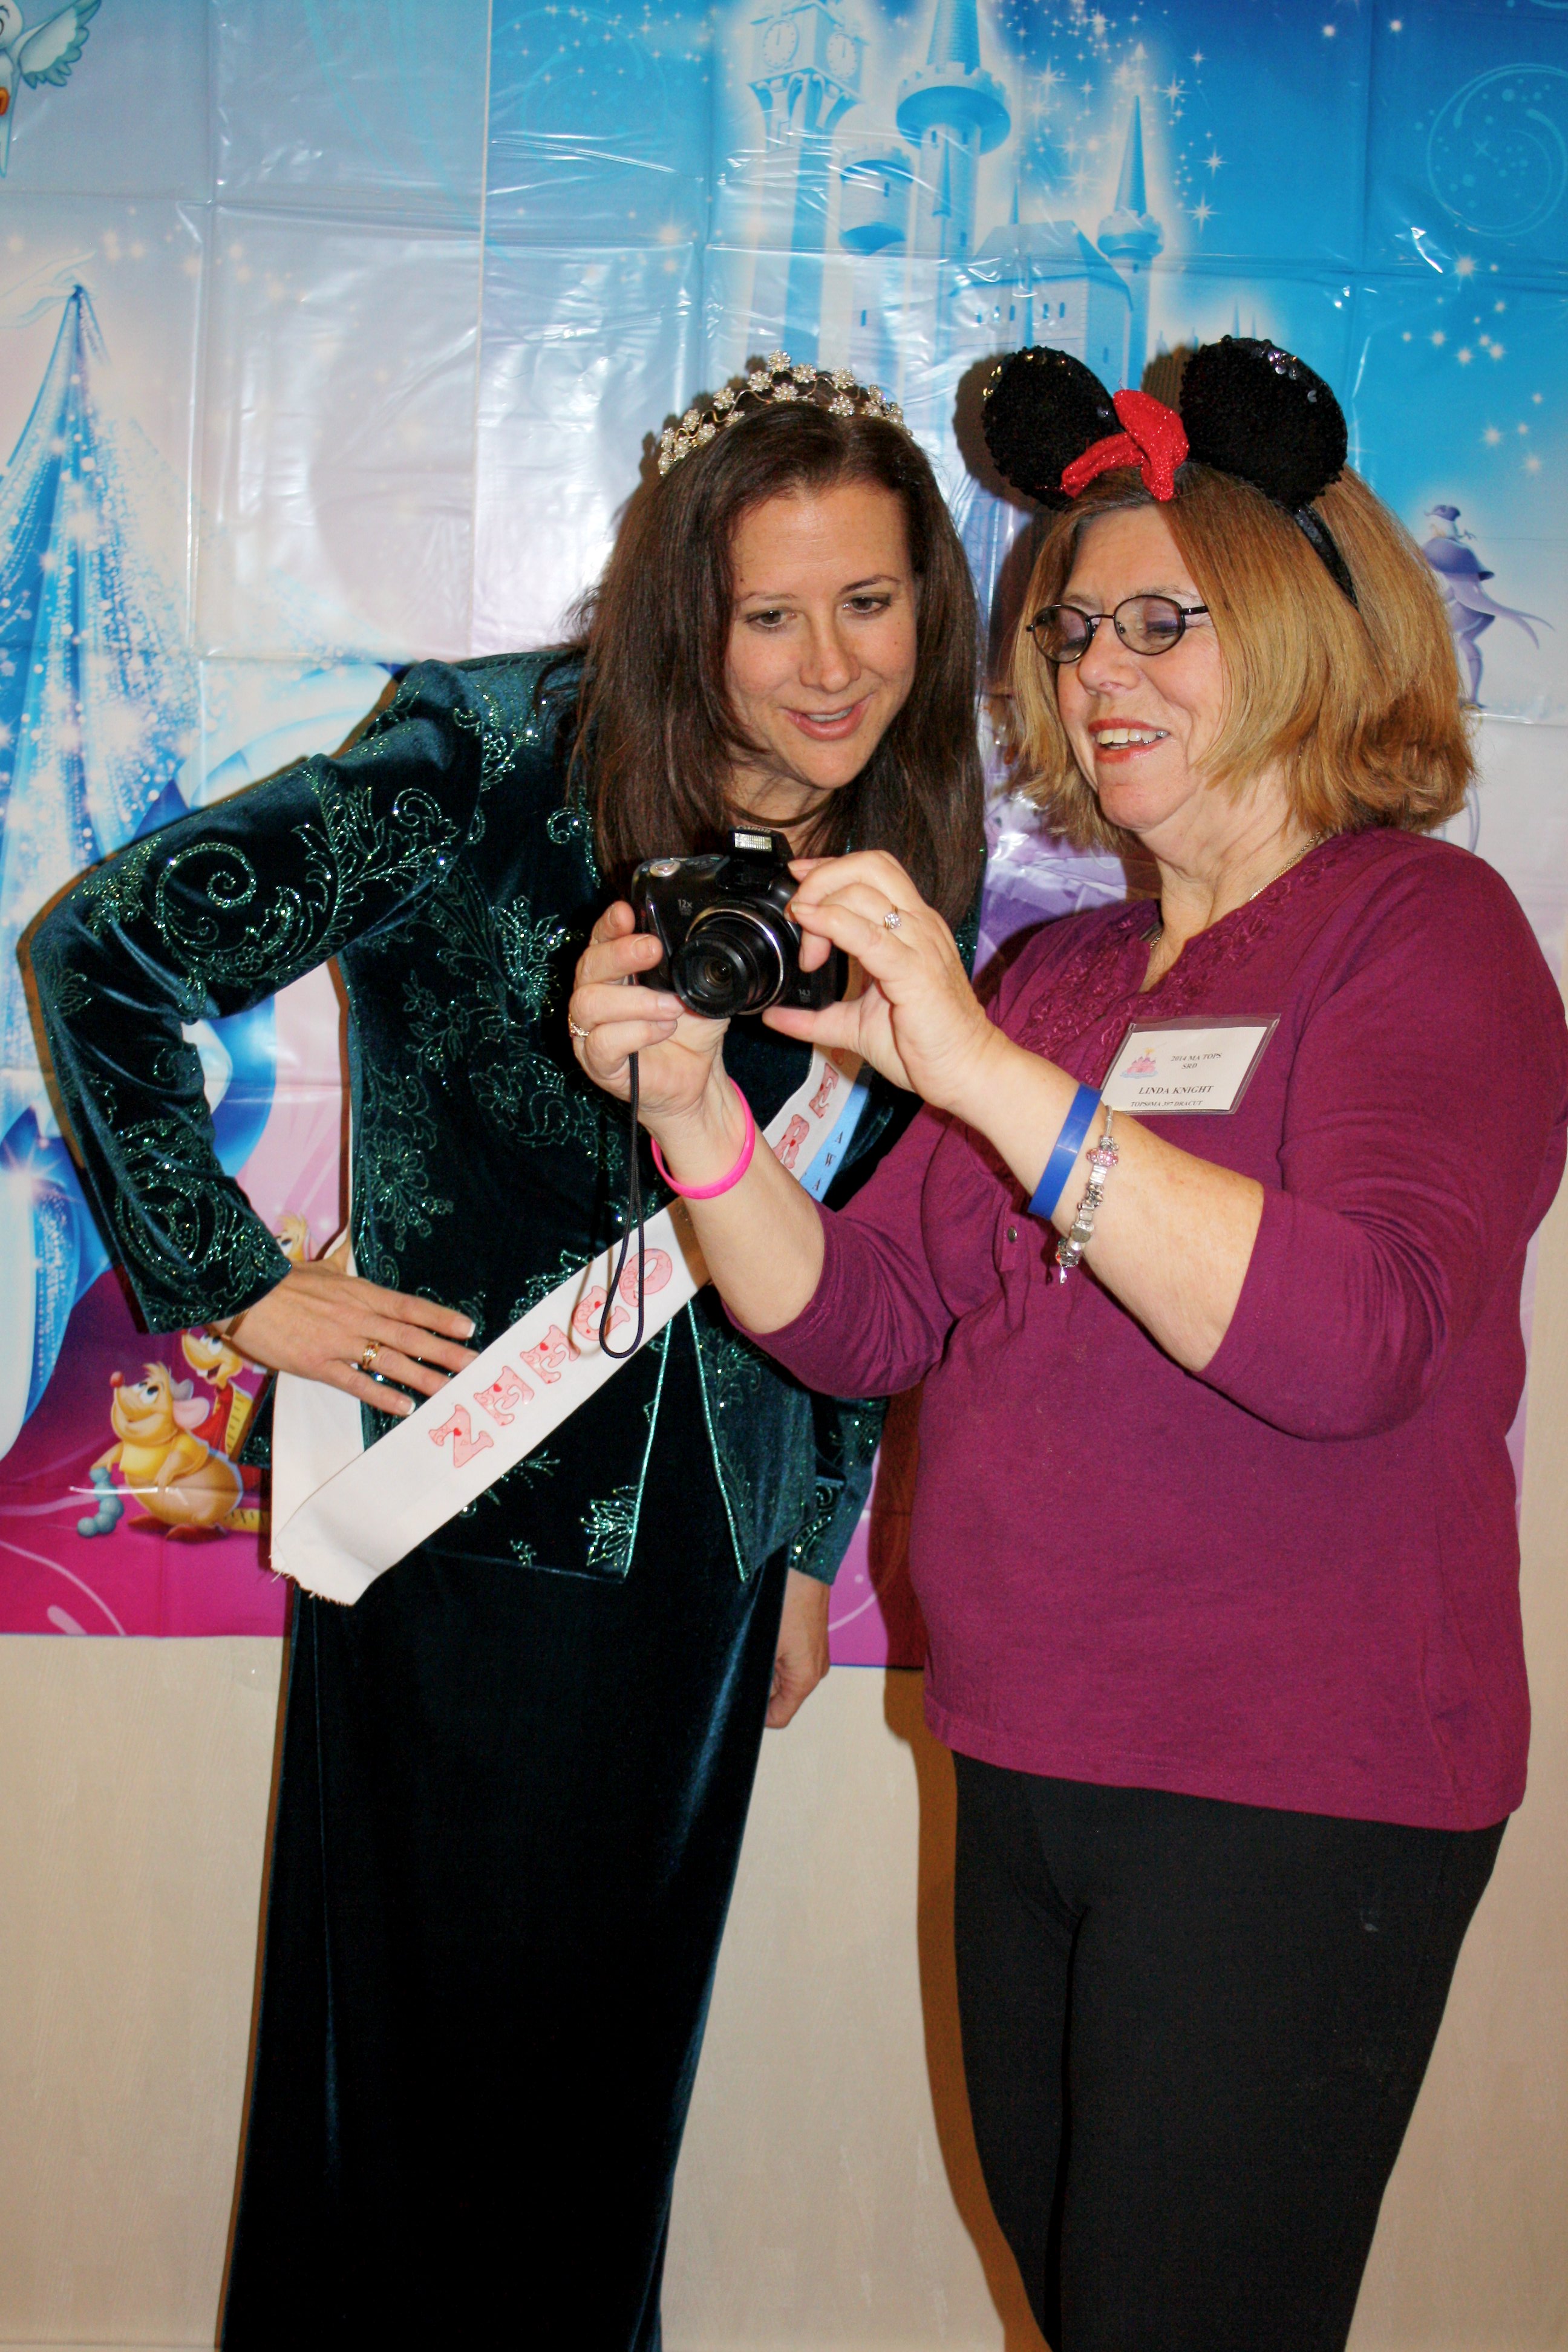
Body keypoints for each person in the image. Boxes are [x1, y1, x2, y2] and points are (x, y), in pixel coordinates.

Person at [569, 338, 1568, 2352]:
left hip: (1296, 1783)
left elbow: (1357, 1341)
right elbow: (862, 1320)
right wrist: (690, 1117)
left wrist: (982, 1075)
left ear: (1305, 631)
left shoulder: (1421, 929)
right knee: (1085, 2302)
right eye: (1073, 628)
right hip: (1030, 1752)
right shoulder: (1069, 971)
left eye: (1162, 622)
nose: (1102, 671)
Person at [27, 359, 985, 2348]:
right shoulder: (484, 752)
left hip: (700, 1578)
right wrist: (228, 1277)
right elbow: (100, 951)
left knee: (601, 2115)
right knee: (406, 2110)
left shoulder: (900, 851)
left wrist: (806, 1542)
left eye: (871, 604)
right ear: (685, 605)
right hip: (465, 1530)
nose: (830, 668)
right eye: (771, 613)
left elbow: (868, 1238)